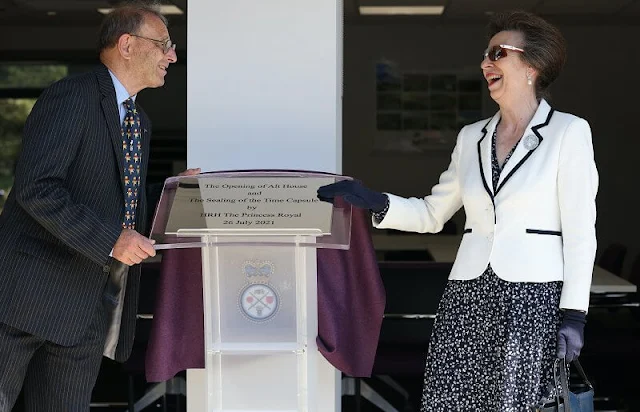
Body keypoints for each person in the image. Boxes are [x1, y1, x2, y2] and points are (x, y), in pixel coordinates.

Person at [318, 10, 597, 412]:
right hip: (467, 294)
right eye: (486, 54)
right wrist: (377, 201)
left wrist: (574, 314)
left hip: (531, 299)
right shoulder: (472, 137)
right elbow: (433, 214)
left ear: (532, 66)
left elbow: (581, 232)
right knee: (452, 402)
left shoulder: (569, 132)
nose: (486, 63)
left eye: (498, 53)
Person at [0, 3, 199, 411]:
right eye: (164, 44)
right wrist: (112, 240)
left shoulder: (138, 121)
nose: (172, 56)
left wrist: (171, 193)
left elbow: (117, 197)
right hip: (25, 299)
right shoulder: (71, 96)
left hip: (86, 309)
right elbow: (37, 189)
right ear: (127, 45)